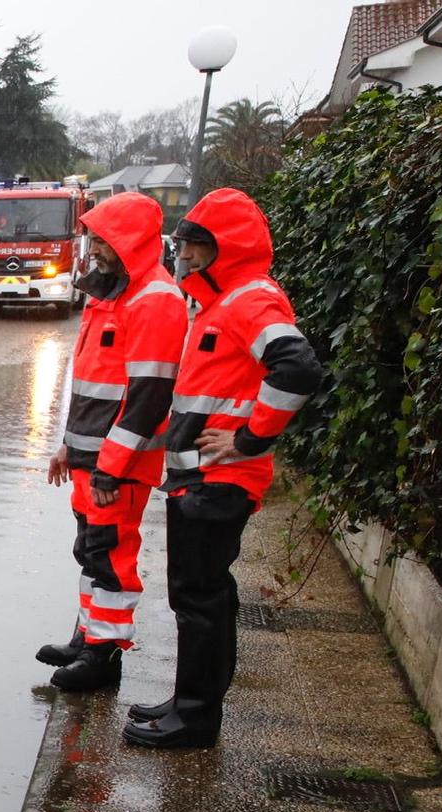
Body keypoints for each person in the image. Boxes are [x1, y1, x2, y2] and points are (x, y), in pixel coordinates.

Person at [123, 188, 323, 749]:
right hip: (200, 478)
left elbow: (298, 368)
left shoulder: (248, 300)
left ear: (223, 248)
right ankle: (189, 701)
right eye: (181, 245)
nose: (182, 256)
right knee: (200, 597)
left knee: (200, 598)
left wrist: (250, 438)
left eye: (193, 247)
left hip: (219, 481)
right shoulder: (220, 302)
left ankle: (196, 717)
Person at [38, 191, 187, 691]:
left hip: (115, 466)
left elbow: (147, 399)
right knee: (91, 550)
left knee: (111, 554)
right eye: (93, 237)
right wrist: (68, 446)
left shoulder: (154, 301)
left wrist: (111, 467)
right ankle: (88, 637)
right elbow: (91, 387)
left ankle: (104, 655)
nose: (94, 247)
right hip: (91, 459)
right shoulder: (114, 295)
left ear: (128, 242)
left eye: (102, 238)